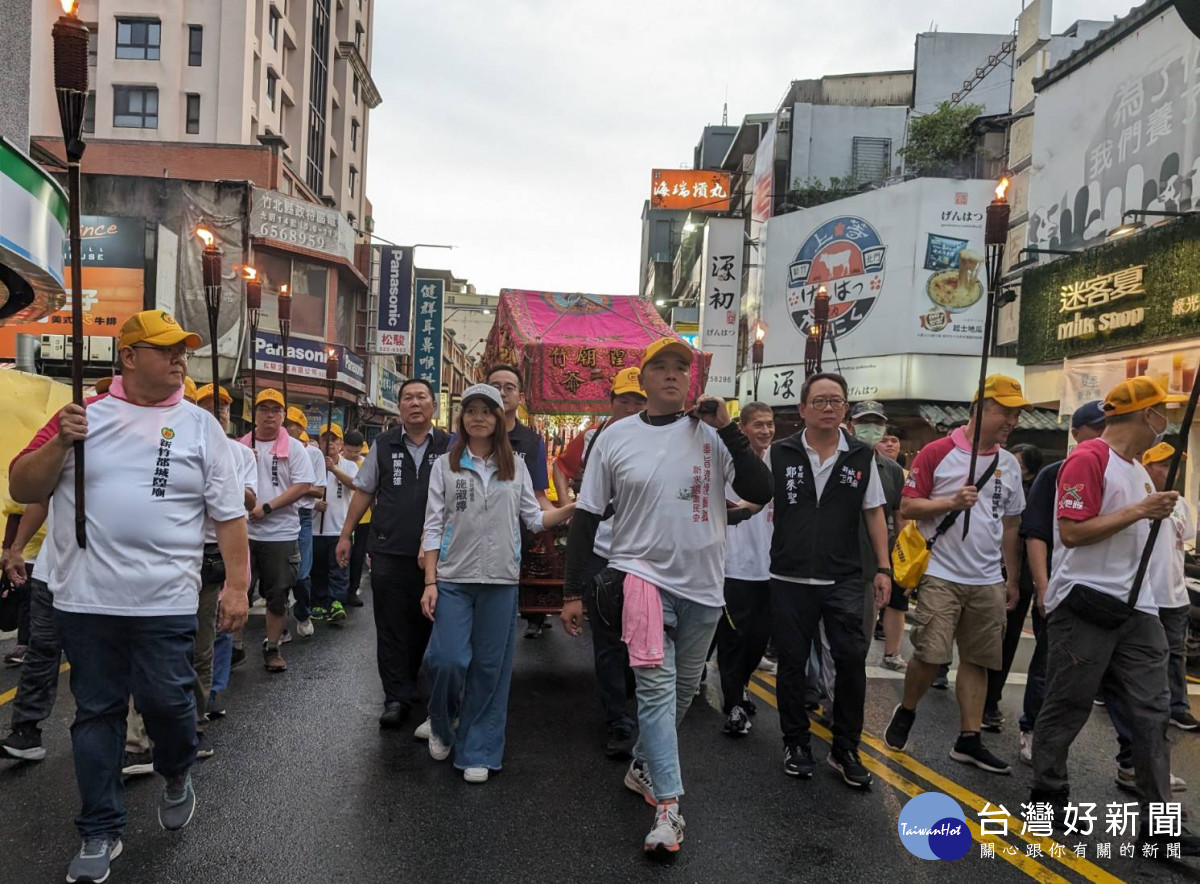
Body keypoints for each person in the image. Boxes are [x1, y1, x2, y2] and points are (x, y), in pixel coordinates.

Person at [9, 309, 250, 884]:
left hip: (166, 602)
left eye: (182, 351)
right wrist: (61, 445)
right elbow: (22, 485)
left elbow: (229, 515)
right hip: (84, 602)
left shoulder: (200, 427)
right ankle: (99, 829)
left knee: (169, 706)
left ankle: (175, 768)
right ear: (128, 357)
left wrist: (238, 585)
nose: (178, 359)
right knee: (97, 713)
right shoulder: (81, 415)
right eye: (166, 349)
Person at [560, 338, 773, 859]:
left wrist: (729, 429)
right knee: (655, 694)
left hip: (704, 583)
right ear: (645, 378)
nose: (674, 375)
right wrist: (573, 589)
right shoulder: (615, 437)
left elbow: (761, 489)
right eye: (662, 367)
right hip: (641, 578)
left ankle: (642, 765)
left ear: (692, 379)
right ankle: (668, 809)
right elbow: (587, 515)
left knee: (681, 692)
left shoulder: (715, 434)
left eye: (683, 367)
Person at [1029, 377, 1200, 855]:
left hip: (1138, 607)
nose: (1164, 422)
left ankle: (1160, 825)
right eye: (1161, 412)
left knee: (1153, 711)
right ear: (1145, 415)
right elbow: (1072, 532)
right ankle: (1048, 796)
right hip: (1085, 602)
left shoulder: (1140, 469)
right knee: (1068, 704)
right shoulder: (1089, 459)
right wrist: (1142, 510)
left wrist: (1151, 510)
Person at [420, 384, 575, 783]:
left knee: (491, 669)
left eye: (486, 411)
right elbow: (433, 525)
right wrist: (430, 581)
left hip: (501, 580)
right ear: (462, 419)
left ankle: (478, 751)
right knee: (448, 660)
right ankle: (440, 720)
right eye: (470, 410)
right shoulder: (446, 465)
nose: (478, 417)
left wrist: (572, 508)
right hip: (454, 579)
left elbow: (535, 519)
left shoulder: (515, 467)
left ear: (498, 418)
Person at [884, 374, 1028, 775]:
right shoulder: (936, 452)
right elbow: (909, 507)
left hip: (987, 578)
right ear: (979, 409)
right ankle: (907, 709)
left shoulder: (1008, 465)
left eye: (1016, 414)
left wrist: (1011, 577)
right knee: (930, 655)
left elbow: (1012, 524)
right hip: (941, 572)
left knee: (979, 660)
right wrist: (951, 501)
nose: (1011, 421)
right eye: (1005, 411)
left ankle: (969, 738)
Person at [768, 377, 892, 787]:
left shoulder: (860, 455)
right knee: (792, 664)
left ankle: (845, 748)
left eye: (836, 401)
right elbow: (756, 498)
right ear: (802, 409)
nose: (828, 408)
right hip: (788, 575)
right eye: (819, 401)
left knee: (852, 661)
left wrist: (883, 567)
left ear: (845, 409)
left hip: (842, 577)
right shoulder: (780, 452)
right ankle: (796, 742)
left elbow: (874, 512)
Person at [338, 378, 450, 729]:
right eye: (407, 398)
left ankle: (419, 686)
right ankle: (396, 697)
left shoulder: (451, 446)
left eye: (421, 397)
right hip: (389, 550)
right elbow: (363, 492)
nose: (414, 403)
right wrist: (346, 535)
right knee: (390, 627)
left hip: (436, 556)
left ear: (434, 404)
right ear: (400, 406)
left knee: (427, 625)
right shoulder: (384, 445)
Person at [551, 367, 646, 757]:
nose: (631, 406)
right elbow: (560, 467)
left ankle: (631, 701)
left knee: (638, 640)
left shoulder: (659, 439)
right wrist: (565, 505)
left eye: (638, 400)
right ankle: (618, 722)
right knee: (608, 642)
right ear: (611, 400)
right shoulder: (592, 438)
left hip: (643, 557)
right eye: (624, 399)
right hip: (599, 551)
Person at [1017, 400, 1106, 764]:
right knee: (1048, 663)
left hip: (1106, 592)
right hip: (1063, 587)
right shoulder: (1055, 473)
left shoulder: (1124, 472)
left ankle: (1133, 757)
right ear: (1076, 432)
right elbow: (1035, 533)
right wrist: (1043, 587)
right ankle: (1032, 729)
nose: (1103, 435)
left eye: (1109, 426)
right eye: (1096, 427)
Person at [242, 389, 316, 672]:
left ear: (283, 415)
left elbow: (302, 485)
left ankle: (272, 648)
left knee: (277, 596)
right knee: (238, 592)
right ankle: (235, 647)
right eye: (263, 408)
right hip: (244, 532)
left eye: (275, 409)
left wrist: (268, 508)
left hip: (281, 535)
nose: (269, 414)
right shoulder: (241, 444)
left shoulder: (295, 448)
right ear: (254, 414)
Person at [714, 402, 775, 738]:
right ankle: (734, 703)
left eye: (769, 424)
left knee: (758, 640)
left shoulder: (779, 461)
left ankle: (742, 684)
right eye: (758, 425)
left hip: (769, 566)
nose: (765, 431)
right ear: (742, 427)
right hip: (732, 564)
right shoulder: (728, 459)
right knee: (733, 638)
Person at [486, 364, 555, 639]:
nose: (501, 393)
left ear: (520, 396)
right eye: (495, 386)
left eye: (509, 387)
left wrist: (567, 514)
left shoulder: (530, 441)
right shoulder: (466, 439)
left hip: (516, 535)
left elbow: (539, 495)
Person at [981, 442, 1044, 732]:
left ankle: (990, 700)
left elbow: (1021, 533)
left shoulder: (1035, 496)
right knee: (979, 636)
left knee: (1005, 642)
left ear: (1029, 471)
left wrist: (1018, 579)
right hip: (984, 570)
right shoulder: (994, 485)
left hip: (1018, 577)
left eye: (1016, 465)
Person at [1141, 442, 1199, 733]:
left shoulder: (1182, 503)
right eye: (1164, 464)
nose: (1171, 470)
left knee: (1176, 654)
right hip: (1144, 593)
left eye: (1174, 464)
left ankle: (1177, 707)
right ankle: (1112, 695)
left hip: (1175, 593)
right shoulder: (1139, 497)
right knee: (1138, 654)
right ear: (1148, 466)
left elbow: (1182, 542)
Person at [847, 401, 907, 670]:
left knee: (861, 635)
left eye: (877, 423)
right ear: (851, 426)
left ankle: (844, 693)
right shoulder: (838, 460)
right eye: (864, 422)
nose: (871, 429)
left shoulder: (892, 471)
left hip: (871, 567)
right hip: (834, 562)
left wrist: (896, 566)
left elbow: (898, 517)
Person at [1, 501, 54, 760]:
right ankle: (26, 733)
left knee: (98, 662)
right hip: (50, 571)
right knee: (40, 650)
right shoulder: (58, 459)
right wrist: (14, 548)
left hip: (104, 575)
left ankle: (109, 737)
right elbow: (39, 498)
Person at [310, 424, 358, 627]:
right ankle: (318, 601)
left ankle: (337, 601)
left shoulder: (348, 465)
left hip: (340, 528)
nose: (329, 443)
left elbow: (356, 484)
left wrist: (334, 469)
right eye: (325, 439)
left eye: (334, 439)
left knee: (339, 567)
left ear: (340, 444)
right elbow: (302, 487)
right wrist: (314, 504)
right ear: (320, 442)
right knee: (317, 568)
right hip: (315, 527)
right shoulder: (311, 463)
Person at [285, 406, 327, 631]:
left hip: (302, 516)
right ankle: (279, 628)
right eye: (286, 423)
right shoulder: (270, 448)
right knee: (276, 576)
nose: (286, 427)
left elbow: (318, 489)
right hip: (276, 515)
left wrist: (296, 488)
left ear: (301, 427)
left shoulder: (313, 454)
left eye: (291, 424)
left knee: (302, 573)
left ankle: (303, 613)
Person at [342, 430, 370, 607]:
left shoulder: (366, 464)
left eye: (356, 451)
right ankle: (339, 589)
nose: (353, 455)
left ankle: (352, 590)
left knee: (358, 555)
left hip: (365, 517)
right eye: (349, 451)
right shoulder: (337, 462)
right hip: (342, 517)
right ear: (343, 446)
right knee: (342, 554)